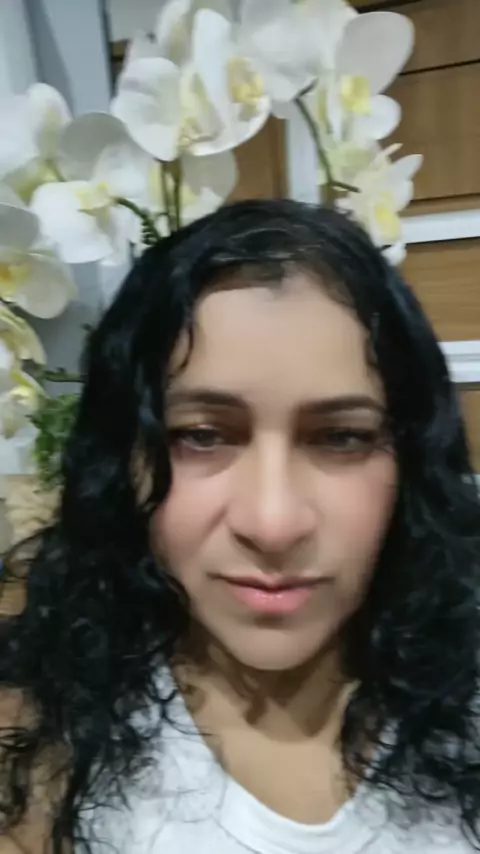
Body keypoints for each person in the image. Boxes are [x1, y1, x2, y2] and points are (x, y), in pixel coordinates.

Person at [1, 198, 480, 854]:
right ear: (123, 460)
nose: (273, 524)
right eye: (201, 435)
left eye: (341, 437)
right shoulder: (35, 753)